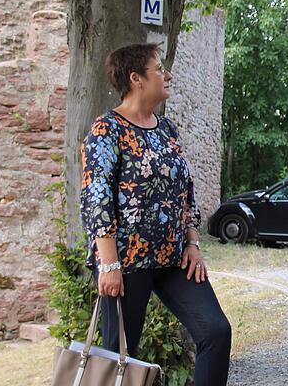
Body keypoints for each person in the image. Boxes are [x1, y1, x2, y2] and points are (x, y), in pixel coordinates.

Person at [80, 43, 231, 386]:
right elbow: (96, 196)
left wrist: (192, 242)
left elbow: (185, 190)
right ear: (136, 79)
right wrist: (108, 264)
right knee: (121, 356)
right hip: (126, 261)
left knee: (215, 331)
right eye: (159, 68)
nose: (168, 74)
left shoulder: (166, 129)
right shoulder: (107, 130)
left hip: (174, 257)